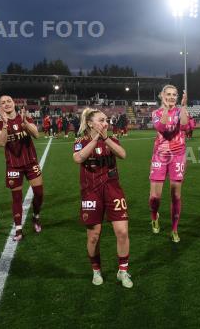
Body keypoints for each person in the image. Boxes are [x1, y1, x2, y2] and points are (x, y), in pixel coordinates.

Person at [72, 108, 133, 288]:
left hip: (113, 189)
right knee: (93, 236)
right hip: (90, 191)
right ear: (90, 123)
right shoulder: (80, 141)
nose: (105, 123)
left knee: (122, 232)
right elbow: (78, 158)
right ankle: (96, 270)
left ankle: (123, 270)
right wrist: (96, 139)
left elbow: (123, 154)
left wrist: (105, 138)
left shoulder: (111, 139)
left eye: (106, 120)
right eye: (101, 120)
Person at [0, 95, 44, 241]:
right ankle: (18, 229)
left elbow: (36, 134)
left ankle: (35, 217)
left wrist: (25, 123)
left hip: (30, 162)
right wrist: (4, 125)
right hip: (13, 165)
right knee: (16, 198)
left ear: (13, 103)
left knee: (39, 193)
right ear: (0, 107)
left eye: (8, 101)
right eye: (3, 103)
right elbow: (1, 143)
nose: (6, 104)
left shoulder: (26, 118)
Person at [148, 85, 188, 243]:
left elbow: (184, 124)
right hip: (160, 155)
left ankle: (174, 229)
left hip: (178, 155)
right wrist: (165, 108)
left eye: (174, 95)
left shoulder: (180, 111)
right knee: (154, 197)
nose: (171, 97)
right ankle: (154, 216)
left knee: (176, 195)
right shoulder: (156, 113)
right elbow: (161, 127)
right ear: (162, 96)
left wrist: (183, 106)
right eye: (168, 94)